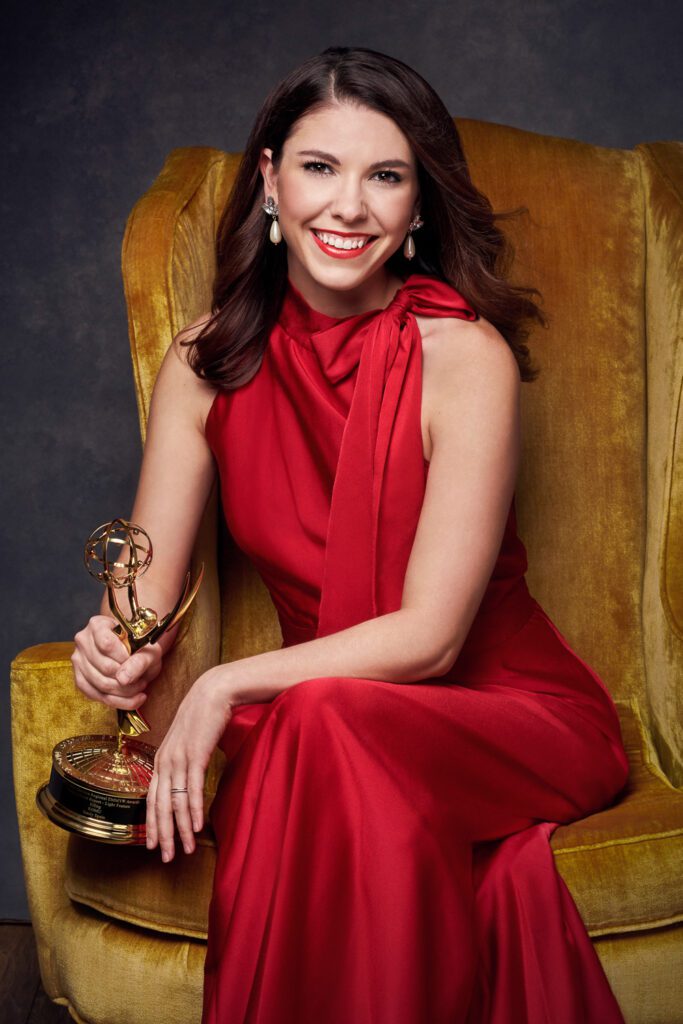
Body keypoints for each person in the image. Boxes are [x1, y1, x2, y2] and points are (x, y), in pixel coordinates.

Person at [70, 45, 630, 1024]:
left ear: (416, 208)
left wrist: (222, 682)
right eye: (319, 167)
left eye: (385, 176)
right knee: (319, 724)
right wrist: (114, 651)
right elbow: (142, 598)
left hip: (510, 714)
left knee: (316, 721)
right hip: (325, 724)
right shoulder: (203, 364)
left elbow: (432, 639)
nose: (349, 205)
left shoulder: (462, 355)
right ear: (270, 185)